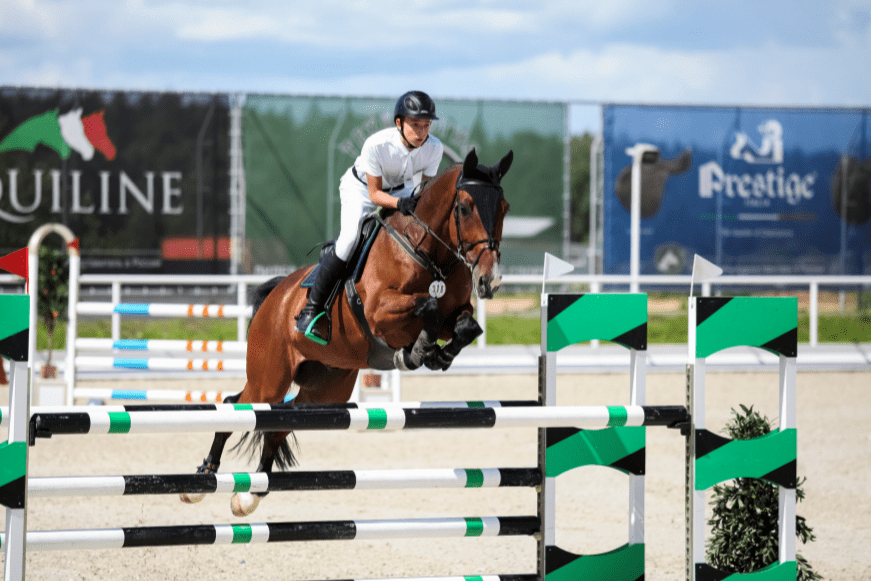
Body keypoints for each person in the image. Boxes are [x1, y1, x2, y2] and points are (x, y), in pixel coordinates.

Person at [295, 90, 445, 344]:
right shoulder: (377, 144)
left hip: (402, 189)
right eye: (415, 125)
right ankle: (312, 308)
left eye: (426, 125)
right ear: (399, 123)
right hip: (361, 190)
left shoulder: (434, 148)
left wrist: (413, 204)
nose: (421, 132)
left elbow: (424, 190)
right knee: (350, 239)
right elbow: (375, 195)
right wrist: (400, 203)